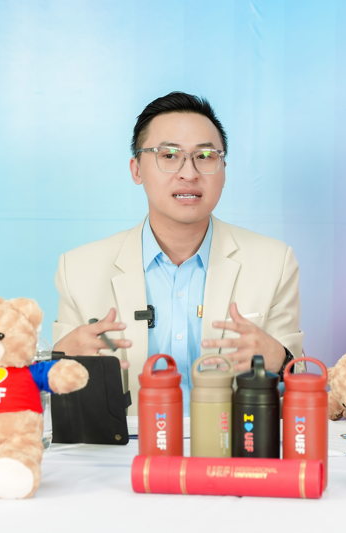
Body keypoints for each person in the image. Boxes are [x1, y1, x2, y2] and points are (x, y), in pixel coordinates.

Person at [53, 92, 302, 413]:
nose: (189, 173)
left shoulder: (273, 262)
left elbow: (299, 385)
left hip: (230, 437)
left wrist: (280, 359)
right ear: (136, 170)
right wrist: (58, 361)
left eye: (206, 156)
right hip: (125, 442)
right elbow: (56, 393)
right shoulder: (78, 269)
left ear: (223, 170)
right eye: (169, 155)